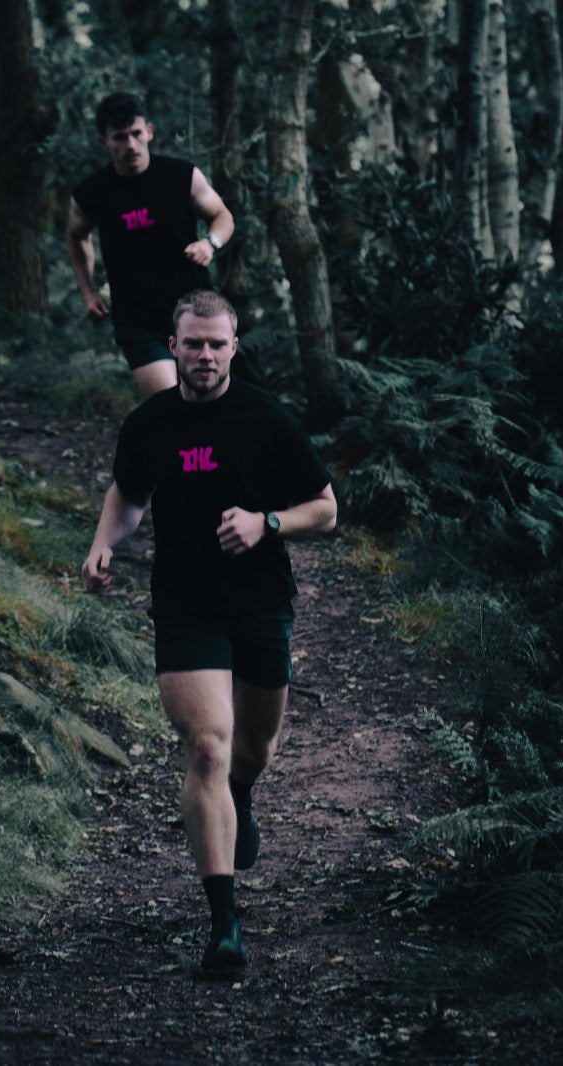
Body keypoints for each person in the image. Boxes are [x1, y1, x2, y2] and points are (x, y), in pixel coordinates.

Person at [81, 290, 338, 974]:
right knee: (205, 750)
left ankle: (241, 796)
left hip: (259, 605)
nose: (203, 355)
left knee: (252, 750)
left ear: (234, 347)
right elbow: (129, 494)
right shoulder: (149, 423)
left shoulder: (266, 418)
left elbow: (327, 508)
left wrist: (267, 523)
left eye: (216, 344)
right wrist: (105, 543)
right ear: (173, 344)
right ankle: (224, 925)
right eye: (191, 343)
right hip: (186, 603)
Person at [66, 92, 236, 397]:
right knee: (170, 403)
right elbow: (76, 235)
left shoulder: (180, 176)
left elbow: (223, 216)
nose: (130, 145)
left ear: (149, 132)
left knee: (211, 404)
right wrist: (88, 291)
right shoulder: (92, 193)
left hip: (195, 313)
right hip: (138, 319)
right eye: (119, 137)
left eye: (136, 134)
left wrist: (210, 243)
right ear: (104, 142)